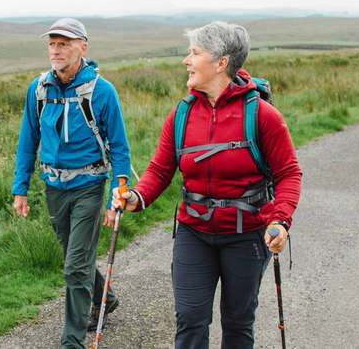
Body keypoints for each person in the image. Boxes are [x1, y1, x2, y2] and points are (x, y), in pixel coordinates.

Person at [112, 21, 302, 348]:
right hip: (194, 232)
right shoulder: (182, 114)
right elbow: (160, 169)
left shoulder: (262, 115)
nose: (186, 61)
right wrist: (137, 197)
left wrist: (280, 220)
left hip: (247, 235)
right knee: (190, 319)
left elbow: (289, 173)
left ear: (221, 62)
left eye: (194, 53)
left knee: (238, 323)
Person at [12, 17, 133, 349]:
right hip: (54, 187)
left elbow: (120, 148)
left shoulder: (102, 91)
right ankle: (105, 298)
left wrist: (117, 195)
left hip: (89, 186)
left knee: (75, 266)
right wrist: (20, 187)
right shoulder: (38, 89)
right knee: (73, 258)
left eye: (63, 44)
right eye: (52, 44)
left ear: (83, 47)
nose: (56, 50)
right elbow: (28, 140)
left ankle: (72, 342)